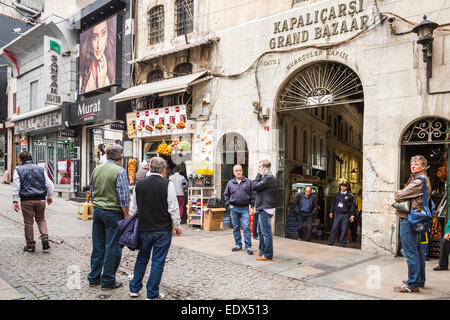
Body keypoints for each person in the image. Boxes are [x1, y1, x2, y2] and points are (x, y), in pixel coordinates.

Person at [128, 157, 182, 300]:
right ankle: (152, 294)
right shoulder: (167, 184)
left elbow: (133, 209)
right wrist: (177, 227)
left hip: (144, 228)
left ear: (150, 167)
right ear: (164, 169)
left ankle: (134, 288)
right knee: (158, 261)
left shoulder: (139, 185)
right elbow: (173, 208)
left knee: (142, 258)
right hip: (162, 230)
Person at [88, 144, 130, 290]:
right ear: (120, 157)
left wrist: (97, 205)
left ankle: (94, 277)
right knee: (113, 247)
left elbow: (92, 191)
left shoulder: (97, 169)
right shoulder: (120, 171)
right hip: (113, 212)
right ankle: (108, 280)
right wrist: (126, 216)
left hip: (98, 211)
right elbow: (123, 197)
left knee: (98, 246)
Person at [393, 155, 431, 293]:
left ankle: (412, 283)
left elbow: (399, 196)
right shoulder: (419, 178)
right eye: (411, 163)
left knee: (411, 252)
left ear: (423, 166)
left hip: (410, 219)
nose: (413, 165)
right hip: (415, 218)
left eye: (416, 164)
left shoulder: (419, 180)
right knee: (417, 250)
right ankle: (418, 279)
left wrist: (398, 192)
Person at [12, 151, 54, 252]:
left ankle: (30, 245)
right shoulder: (40, 168)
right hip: (40, 199)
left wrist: (15, 200)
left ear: (21, 160)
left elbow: (16, 186)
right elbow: (49, 184)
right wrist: (50, 196)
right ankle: (44, 237)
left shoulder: (18, 169)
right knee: (41, 219)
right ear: (31, 158)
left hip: (26, 200)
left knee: (28, 222)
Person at [79, 16, 116, 94]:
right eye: (94, 37)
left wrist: (101, 83)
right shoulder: (83, 72)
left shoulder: (112, 69)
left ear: (108, 34)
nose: (98, 45)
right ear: (90, 39)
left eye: (103, 33)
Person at [224, 164, 255, 255]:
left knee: (246, 227)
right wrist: (229, 205)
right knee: (236, 227)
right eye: (236, 171)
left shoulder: (248, 182)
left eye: (240, 170)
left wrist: (252, 207)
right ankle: (238, 244)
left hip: (245, 208)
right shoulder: (230, 183)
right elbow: (226, 195)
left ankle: (248, 246)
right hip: (234, 208)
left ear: (242, 171)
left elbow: (252, 196)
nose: (238, 172)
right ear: (234, 172)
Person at [252, 160, 277, 261]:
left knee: (266, 232)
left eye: (260, 167)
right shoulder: (265, 178)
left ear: (265, 168)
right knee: (260, 231)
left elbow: (254, 186)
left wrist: (258, 175)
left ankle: (268, 254)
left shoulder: (269, 178)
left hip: (265, 208)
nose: (258, 169)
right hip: (261, 207)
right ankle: (262, 251)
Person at [328, 181, 356, 247]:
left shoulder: (349, 196)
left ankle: (342, 244)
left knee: (344, 229)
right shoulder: (337, 195)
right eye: (342, 186)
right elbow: (333, 204)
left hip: (346, 215)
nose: (343, 187)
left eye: (344, 186)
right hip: (338, 214)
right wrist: (331, 211)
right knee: (334, 228)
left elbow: (352, 206)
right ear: (340, 187)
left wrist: (352, 215)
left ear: (347, 187)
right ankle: (330, 242)